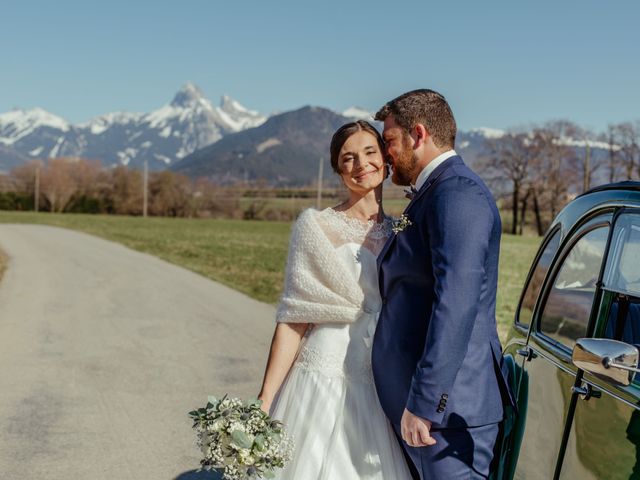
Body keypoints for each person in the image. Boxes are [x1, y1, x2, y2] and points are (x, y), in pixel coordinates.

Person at [372, 89, 515, 479]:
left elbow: (456, 301)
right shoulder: (434, 193)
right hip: (432, 416)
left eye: (389, 141)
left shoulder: (457, 196)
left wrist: (425, 402)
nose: (386, 153)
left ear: (418, 135)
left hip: (446, 417)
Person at [257, 120, 413, 479]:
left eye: (370, 153)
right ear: (339, 170)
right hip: (321, 373)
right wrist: (265, 399)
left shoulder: (402, 232)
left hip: (379, 375)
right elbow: (294, 317)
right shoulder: (315, 228)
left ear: (387, 160)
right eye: (348, 158)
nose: (362, 165)